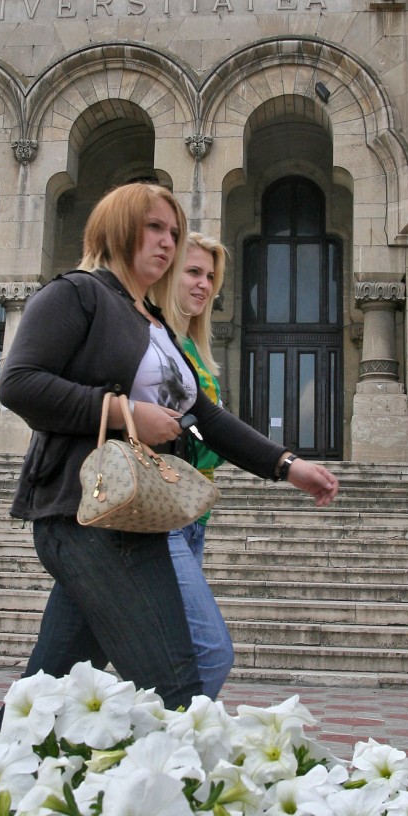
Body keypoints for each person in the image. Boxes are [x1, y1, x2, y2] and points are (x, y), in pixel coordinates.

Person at [0, 182, 339, 730]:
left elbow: (207, 415)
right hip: (87, 515)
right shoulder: (77, 294)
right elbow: (20, 384)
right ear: (118, 228)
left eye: (173, 232)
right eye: (155, 228)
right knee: (178, 686)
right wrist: (121, 410)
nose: (168, 243)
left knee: (48, 690)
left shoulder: (152, 322)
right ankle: (183, 800)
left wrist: (286, 466)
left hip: (132, 519)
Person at [157, 233, 234, 698]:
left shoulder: (193, 351)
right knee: (207, 653)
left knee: (66, 662)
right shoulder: (154, 343)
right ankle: (169, 759)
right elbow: (202, 435)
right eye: (193, 272)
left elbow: (206, 432)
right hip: (158, 514)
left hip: (191, 516)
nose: (204, 285)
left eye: (211, 276)